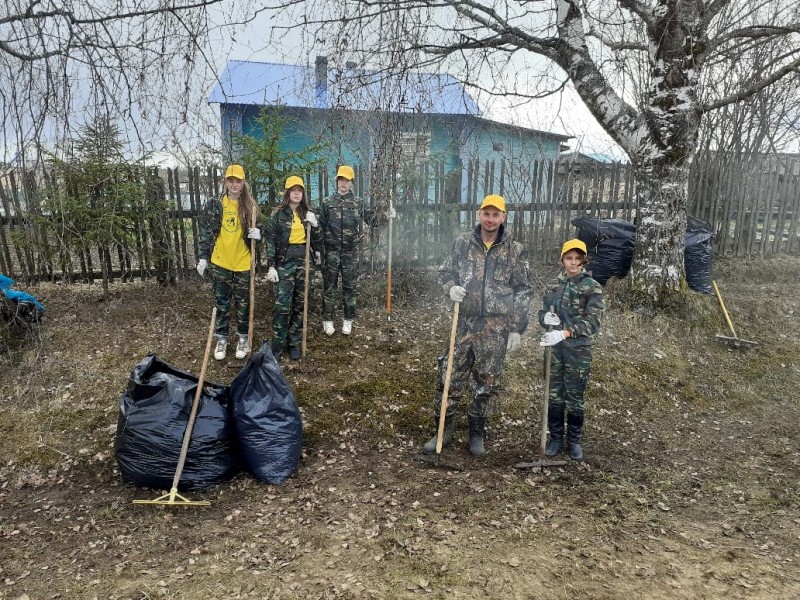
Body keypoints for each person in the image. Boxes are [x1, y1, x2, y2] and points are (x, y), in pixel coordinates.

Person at [422, 194, 532, 457]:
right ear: (478, 214)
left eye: (496, 215)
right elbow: (444, 273)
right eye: (486, 213)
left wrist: (517, 328)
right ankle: (443, 431)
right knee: (450, 375)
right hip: (464, 323)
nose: (490, 219)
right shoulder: (463, 243)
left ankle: (476, 432)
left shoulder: (514, 250)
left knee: (488, 381)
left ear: (503, 217)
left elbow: (523, 290)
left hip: (496, 327)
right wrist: (450, 289)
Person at [538, 238, 605, 460]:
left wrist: (565, 333)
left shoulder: (592, 287)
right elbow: (543, 313)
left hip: (578, 350)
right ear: (562, 260)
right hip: (555, 350)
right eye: (569, 258)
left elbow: (593, 323)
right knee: (555, 395)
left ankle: (574, 441)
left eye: (578, 259)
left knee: (574, 396)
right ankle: (556, 439)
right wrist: (544, 317)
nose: (573, 263)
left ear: (584, 260)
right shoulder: (553, 285)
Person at [197, 164, 261, 361]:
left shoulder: (251, 206)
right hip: (220, 262)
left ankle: (243, 337)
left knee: (243, 304)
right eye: (230, 180)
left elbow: (261, 231)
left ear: (243, 183)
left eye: (238, 181)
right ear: (225, 182)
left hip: (242, 262)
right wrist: (203, 257)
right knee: (222, 303)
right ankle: (222, 338)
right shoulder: (214, 204)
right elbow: (206, 231)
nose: (234, 184)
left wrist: (259, 235)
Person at [263, 176, 322, 360]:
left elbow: (318, 243)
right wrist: (271, 266)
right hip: (285, 263)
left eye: (300, 190)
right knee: (282, 305)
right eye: (293, 190)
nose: (297, 193)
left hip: (305, 262)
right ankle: (278, 345)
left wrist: (316, 226)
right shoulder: (278, 215)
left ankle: (294, 343)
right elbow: (270, 241)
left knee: (300, 304)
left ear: (303, 193)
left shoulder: (308, 213)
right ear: (287, 193)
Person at [318, 165, 374, 336]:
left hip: (350, 253)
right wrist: (321, 251)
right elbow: (320, 228)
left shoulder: (358, 203)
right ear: (337, 181)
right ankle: (328, 321)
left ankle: (348, 320)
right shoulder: (327, 203)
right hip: (331, 252)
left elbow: (373, 220)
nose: (344, 183)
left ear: (351, 182)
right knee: (329, 287)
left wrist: (388, 216)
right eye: (341, 179)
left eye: (347, 180)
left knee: (350, 287)